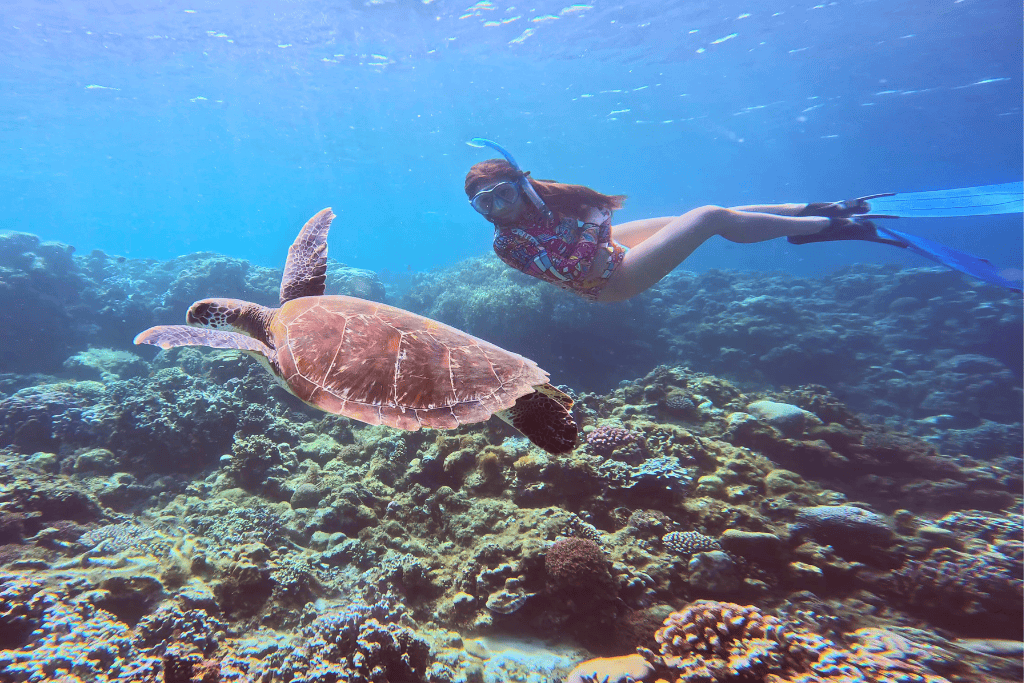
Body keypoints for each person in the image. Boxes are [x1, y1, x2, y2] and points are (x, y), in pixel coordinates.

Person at [464, 139, 1022, 300]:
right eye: (483, 204)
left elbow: (593, 223)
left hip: (605, 253)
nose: (498, 209)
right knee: (708, 217)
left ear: (522, 185)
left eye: (502, 193)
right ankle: (841, 228)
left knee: (697, 214)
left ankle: (827, 209)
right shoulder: (507, 248)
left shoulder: (553, 202)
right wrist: (589, 221)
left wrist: (585, 217)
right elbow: (580, 266)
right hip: (610, 281)